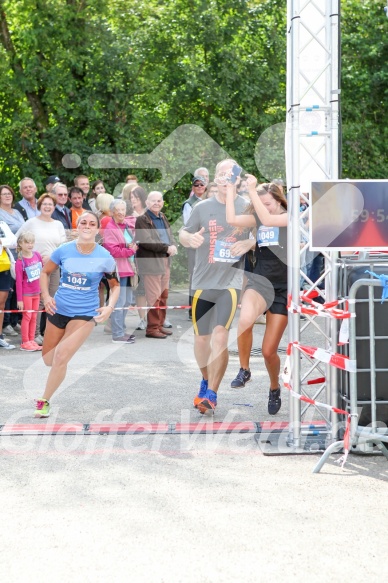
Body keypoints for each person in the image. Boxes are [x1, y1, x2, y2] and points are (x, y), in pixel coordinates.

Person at [179, 159, 253, 414]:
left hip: (229, 282)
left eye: (229, 174)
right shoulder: (202, 206)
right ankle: (205, 379)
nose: (224, 178)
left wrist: (249, 244)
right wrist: (189, 237)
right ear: (215, 177)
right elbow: (183, 234)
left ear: (237, 179)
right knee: (201, 340)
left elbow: (263, 233)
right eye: (220, 173)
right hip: (202, 281)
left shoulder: (246, 206)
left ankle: (212, 392)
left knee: (220, 336)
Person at [33, 211, 120, 418]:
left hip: (85, 314)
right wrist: (46, 296)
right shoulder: (64, 250)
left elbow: (115, 286)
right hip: (58, 309)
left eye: (92, 223)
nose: (87, 226)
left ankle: (44, 401)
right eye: (83, 222)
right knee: (48, 360)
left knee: (61, 356)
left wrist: (109, 307)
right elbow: (45, 273)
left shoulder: (105, 256)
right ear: (77, 226)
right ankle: (58, 369)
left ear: (97, 229)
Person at [225, 178, 288, 416]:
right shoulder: (260, 218)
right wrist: (231, 191)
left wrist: (252, 190)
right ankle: (244, 369)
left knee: (269, 351)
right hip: (260, 281)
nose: (264, 208)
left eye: (268, 203)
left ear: (278, 200)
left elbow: (271, 219)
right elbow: (232, 219)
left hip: (283, 287)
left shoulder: (288, 217)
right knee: (244, 321)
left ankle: (274, 388)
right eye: (260, 204)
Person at [16, 193, 67, 345]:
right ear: (40, 206)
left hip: (54, 266)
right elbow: (18, 239)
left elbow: (63, 245)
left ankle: (50, 332)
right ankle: (35, 334)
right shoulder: (31, 223)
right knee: (38, 301)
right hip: (35, 269)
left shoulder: (58, 224)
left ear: (54, 206)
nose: (47, 207)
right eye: (44, 204)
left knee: (53, 299)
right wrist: (30, 256)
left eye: (50, 204)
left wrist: (53, 257)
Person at [135, 191, 177, 339]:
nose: (156, 203)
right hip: (151, 262)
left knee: (163, 295)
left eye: (159, 201)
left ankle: (159, 325)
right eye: (153, 201)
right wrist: (166, 248)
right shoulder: (142, 219)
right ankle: (152, 329)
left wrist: (173, 245)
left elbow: (169, 236)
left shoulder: (162, 217)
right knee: (154, 297)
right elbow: (146, 241)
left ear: (162, 203)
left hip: (165, 260)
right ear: (147, 203)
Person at [103, 200, 137, 343]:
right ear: (112, 212)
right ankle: (117, 334)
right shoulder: (110, 228)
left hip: (128, 269)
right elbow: (113, 251)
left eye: (123, 209)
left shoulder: (127, 226)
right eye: (118, 210)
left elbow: (134, 241)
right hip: (118, 270)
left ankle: (121, 330)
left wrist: (133, 246)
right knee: (119, 301)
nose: (121, 212)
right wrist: (130, 250)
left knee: (127, 301)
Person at [0, 184, 25, 336]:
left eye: (9, 193)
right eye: (4, 194)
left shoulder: (17, 212)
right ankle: (6, 323)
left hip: (20, 255)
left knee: (17, 290)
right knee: (6, 292)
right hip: (6, 257)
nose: (7, 196)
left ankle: (15, 321)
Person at [182, 176, 207, 320]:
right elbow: (188, 225)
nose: (199, 187)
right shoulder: (189, 204)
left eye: (201, 185)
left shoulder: (207, 201)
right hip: (194, 243)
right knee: (195, 275)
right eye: (196, 185)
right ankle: (193, 308)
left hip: (205, 243)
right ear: (192, 187)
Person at [15, 232, 43, 352]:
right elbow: (19, 282)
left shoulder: (37, 255)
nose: (30, 245)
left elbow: (42, 273)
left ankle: (32, 340)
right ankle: (25, 341)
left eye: (32, 242)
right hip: (26, 293)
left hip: (37, 292)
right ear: (21, 243)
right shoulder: (20, 262)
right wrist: (20, 299)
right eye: (27, 242)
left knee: (34, 317)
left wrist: (42, 290)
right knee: (27, 316)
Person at [129, 186, 148, 330]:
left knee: (155, 288)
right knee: (140, 288)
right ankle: (142, 318)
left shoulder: (150, 213)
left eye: (136, 197)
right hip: (136, 256)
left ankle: (158, 316)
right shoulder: (128, 215)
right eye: (131, 198)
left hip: (152, 254)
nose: (134, 200)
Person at [0, 219, 17, 350]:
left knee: (2, 302)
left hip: (3, 267)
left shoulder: (3, 223)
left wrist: (2, 242)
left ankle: (0, 336)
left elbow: (13, 241)